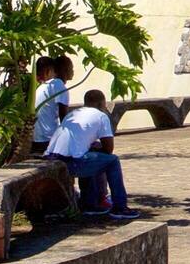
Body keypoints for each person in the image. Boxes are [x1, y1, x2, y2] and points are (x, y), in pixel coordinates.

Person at [42, 90, 140, 219]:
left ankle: (90, 204)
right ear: (101, 104)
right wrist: (98, 146)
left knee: (89, 155)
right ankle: (120, 207)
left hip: (51, 158)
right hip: (71, 163)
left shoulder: (73, 113)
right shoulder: (101, 116)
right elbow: (109, 149)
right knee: (112, 161)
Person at [30, 56, 68, 156]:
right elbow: (63, 115)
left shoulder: (40, 88)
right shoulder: (56, 83)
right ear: (48, 71)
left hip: (36, 139)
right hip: (48, 139)